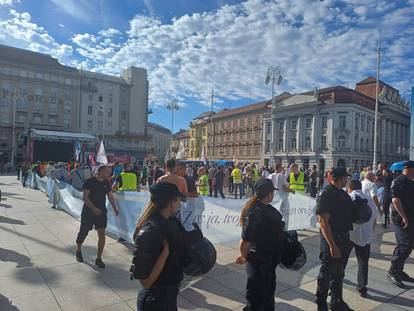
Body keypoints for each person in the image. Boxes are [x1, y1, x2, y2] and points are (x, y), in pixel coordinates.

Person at [132, 182, 185, 311]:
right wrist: (165, 253)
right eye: (178, 201)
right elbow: (146, 282)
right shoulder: (150, 231)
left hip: (168, 297)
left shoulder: (172, 222)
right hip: (154, 302)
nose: (180, 204)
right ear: (171, 202)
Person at [235, 178, 285, 310]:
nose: (273, 195)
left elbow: (245, 239)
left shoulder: (262, 208)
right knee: (256, 299)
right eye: (272, 192)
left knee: (267, 296)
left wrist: (243, 255)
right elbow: (246, 240)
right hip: (259, 262)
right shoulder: (255, 211)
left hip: (267, 262)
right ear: (268, 194)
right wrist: (244, 256)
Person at [315, 167, 354, 311]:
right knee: (326, 272)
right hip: (331, 239)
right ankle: (321, 303)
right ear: (338, 178)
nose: (347, 180)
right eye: (345, 177)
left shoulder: (342, 193)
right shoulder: (326, 193)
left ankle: (337, 301)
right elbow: (323, 221)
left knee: (339, 272)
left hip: (344, 237)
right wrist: (332, 245)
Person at [75, 165, 119, 268]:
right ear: (101, 172)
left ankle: (98, 258)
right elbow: (85, 198)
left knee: (102, 234)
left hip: (101, 212)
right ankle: (78, 250)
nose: (109, 174)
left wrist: (115, 208)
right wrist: (94, 209)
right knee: (83, 232)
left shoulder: (106, 183)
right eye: (107, 172)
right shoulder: (90, 181)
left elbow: (110, 196)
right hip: (88, 211)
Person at [346, 179, 378, 298]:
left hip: (349, 234)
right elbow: (374, 218)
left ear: (349, 187)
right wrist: (371, 234)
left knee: (343, 259)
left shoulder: (348, 197)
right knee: (363, 261)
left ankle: (338, 278)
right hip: (365, 236)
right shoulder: (369, 198)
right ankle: (362, 287)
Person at [386, 160, 414, 288]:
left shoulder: (410, 182)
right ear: (409, 169)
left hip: (410, 218)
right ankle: (392, 272)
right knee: (405, 245)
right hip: (401, 220)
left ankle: (399, 271)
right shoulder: (399, 181)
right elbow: (395, 200)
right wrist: (404, 217)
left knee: (408, 244)